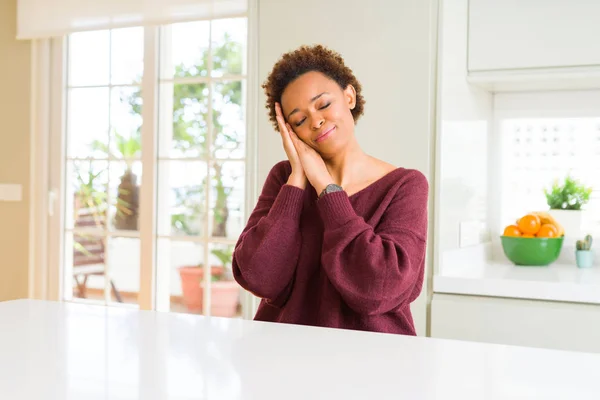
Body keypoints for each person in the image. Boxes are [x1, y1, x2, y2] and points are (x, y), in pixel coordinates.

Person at [232, 44, 429, 336]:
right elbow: (258, 277)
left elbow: (381, 289)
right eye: (299, 120)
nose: (316, 121)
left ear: (348, 97)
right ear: (290, 131)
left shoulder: (405, 185)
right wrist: (298, 179)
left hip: (376, 367)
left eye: (323, 105)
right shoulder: (284, 179)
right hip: (282, 361)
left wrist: (326, 188)